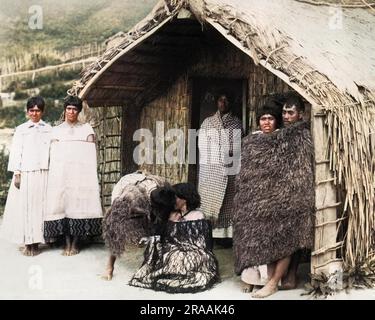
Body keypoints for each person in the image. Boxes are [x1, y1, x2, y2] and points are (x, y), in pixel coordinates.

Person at [233, 93, 314, 298]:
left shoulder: (297, 136)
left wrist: (289, 194)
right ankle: (263, 279)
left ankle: (275, 282)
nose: (287, 116)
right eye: (284, 112)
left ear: (300, 114)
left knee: (289, 235)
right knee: (265, 234)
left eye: (290, 112)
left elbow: (300, 170)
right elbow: (252, 171)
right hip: (264, 199)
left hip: (292, 196)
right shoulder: (256, 140)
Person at [129, 183, 219, 293]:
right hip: (173, 248)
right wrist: (149, 239)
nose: (173, 200)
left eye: (175, 197)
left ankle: (182, 273)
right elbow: (162, 235)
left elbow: (203, 243)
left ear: (185, 199)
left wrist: (186, 246)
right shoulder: (171, 214)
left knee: (186, 258)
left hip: (194, 250)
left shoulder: (198, 215)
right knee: (173, 255)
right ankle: (174, 273)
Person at [44, 95, 103, 256]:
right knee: (63, 205)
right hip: (62, 176)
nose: (71, 112)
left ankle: (75, 243)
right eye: (69, 108)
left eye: (75, 109)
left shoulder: (86, 129)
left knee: (78, 207)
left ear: (79, 111)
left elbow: (90, 155)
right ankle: (67, 243)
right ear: (65, 110)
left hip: (80, 175)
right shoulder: (56, 131)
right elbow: (54, 156)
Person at [239, 102, 283, 293]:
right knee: (252, 238)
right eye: (263, 119)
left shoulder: (282, 139)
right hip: (253, 193)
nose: (266, 122)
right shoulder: (251, 140)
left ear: (276, 121)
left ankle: (267, 280)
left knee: (269, 238)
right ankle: (251, 278)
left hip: (273, 193)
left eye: (270, 119)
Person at [0, 96, 52, 256]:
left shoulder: (48, 129)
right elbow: (16, 152)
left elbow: (51, 152)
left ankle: (36, 243)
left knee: (39, 208)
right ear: (27, 112)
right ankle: (27, 242)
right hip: (26, 173)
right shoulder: (21, 129)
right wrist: (17, 173)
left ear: (42, 111)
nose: (35, 113)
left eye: (37, 110)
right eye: (32, 110)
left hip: (43, 173)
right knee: (26, 208)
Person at [101, 171, 168, 281]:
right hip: (127, 192)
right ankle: (109, 267)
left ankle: (154, 262)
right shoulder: (117, 195)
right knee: (115, 232)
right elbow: (113, 233)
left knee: (156, 230)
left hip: (149, 200)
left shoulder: (154, 192)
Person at [198, 91, 243, 246]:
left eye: (226, 100)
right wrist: (218, 153)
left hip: (230, 169)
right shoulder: (207, 122)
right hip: (211, 169)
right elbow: (203, 145)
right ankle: (212, 235)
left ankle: (226, 237)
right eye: (220, 100)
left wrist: (224, 150)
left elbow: (235, 146)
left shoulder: (236, 123)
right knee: (209, 199)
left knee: (229, 202)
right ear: (216, 102)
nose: (223, 103)